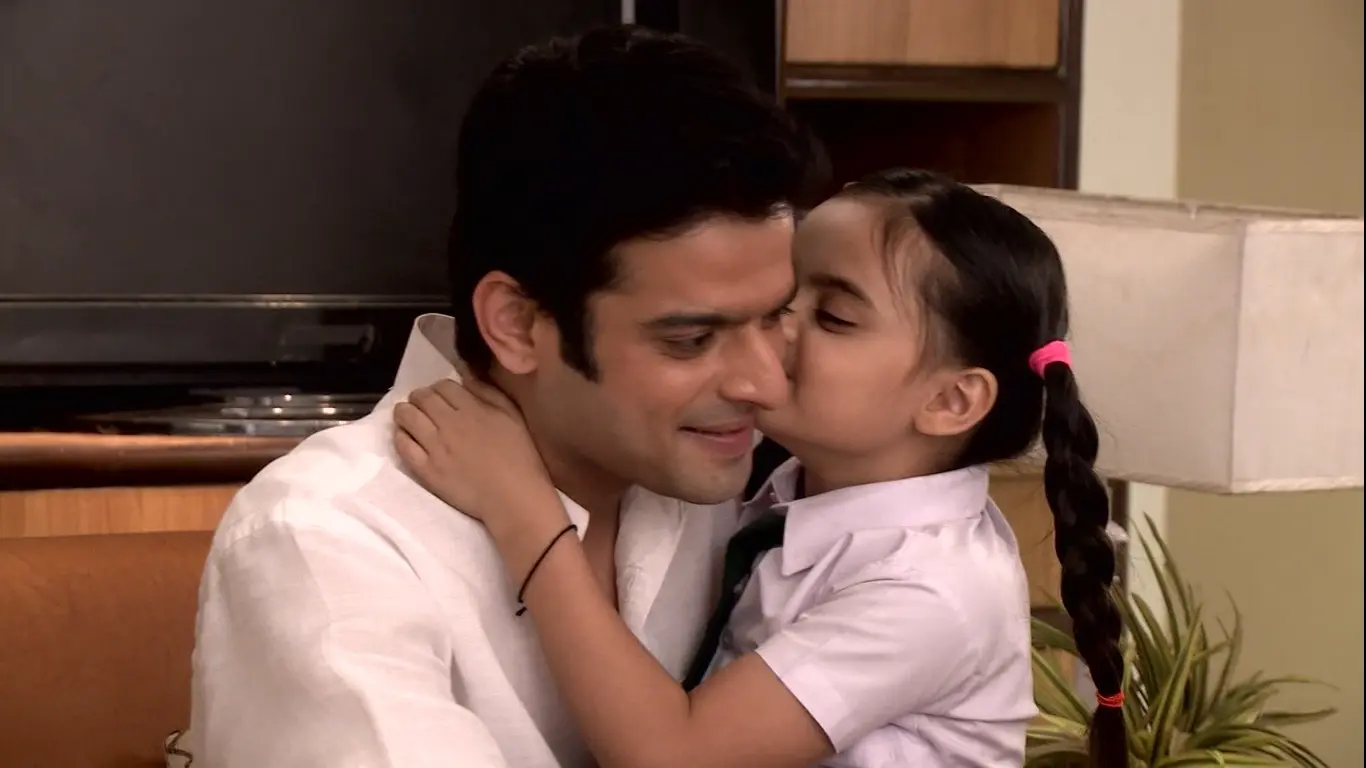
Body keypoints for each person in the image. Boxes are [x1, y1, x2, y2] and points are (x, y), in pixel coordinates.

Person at [181, 25, 820, 768]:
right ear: (516, 324)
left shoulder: (743, 486)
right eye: (691, 339)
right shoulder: (326, 538)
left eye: (777, 315)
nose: (765, 384)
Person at [394, 169, 1129, 768]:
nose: (770, 331)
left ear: (949, 400)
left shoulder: (931, 590)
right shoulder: (780, 487)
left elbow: (672, 755)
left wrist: (525, 512)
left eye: (833, 317)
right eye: (782, 297)